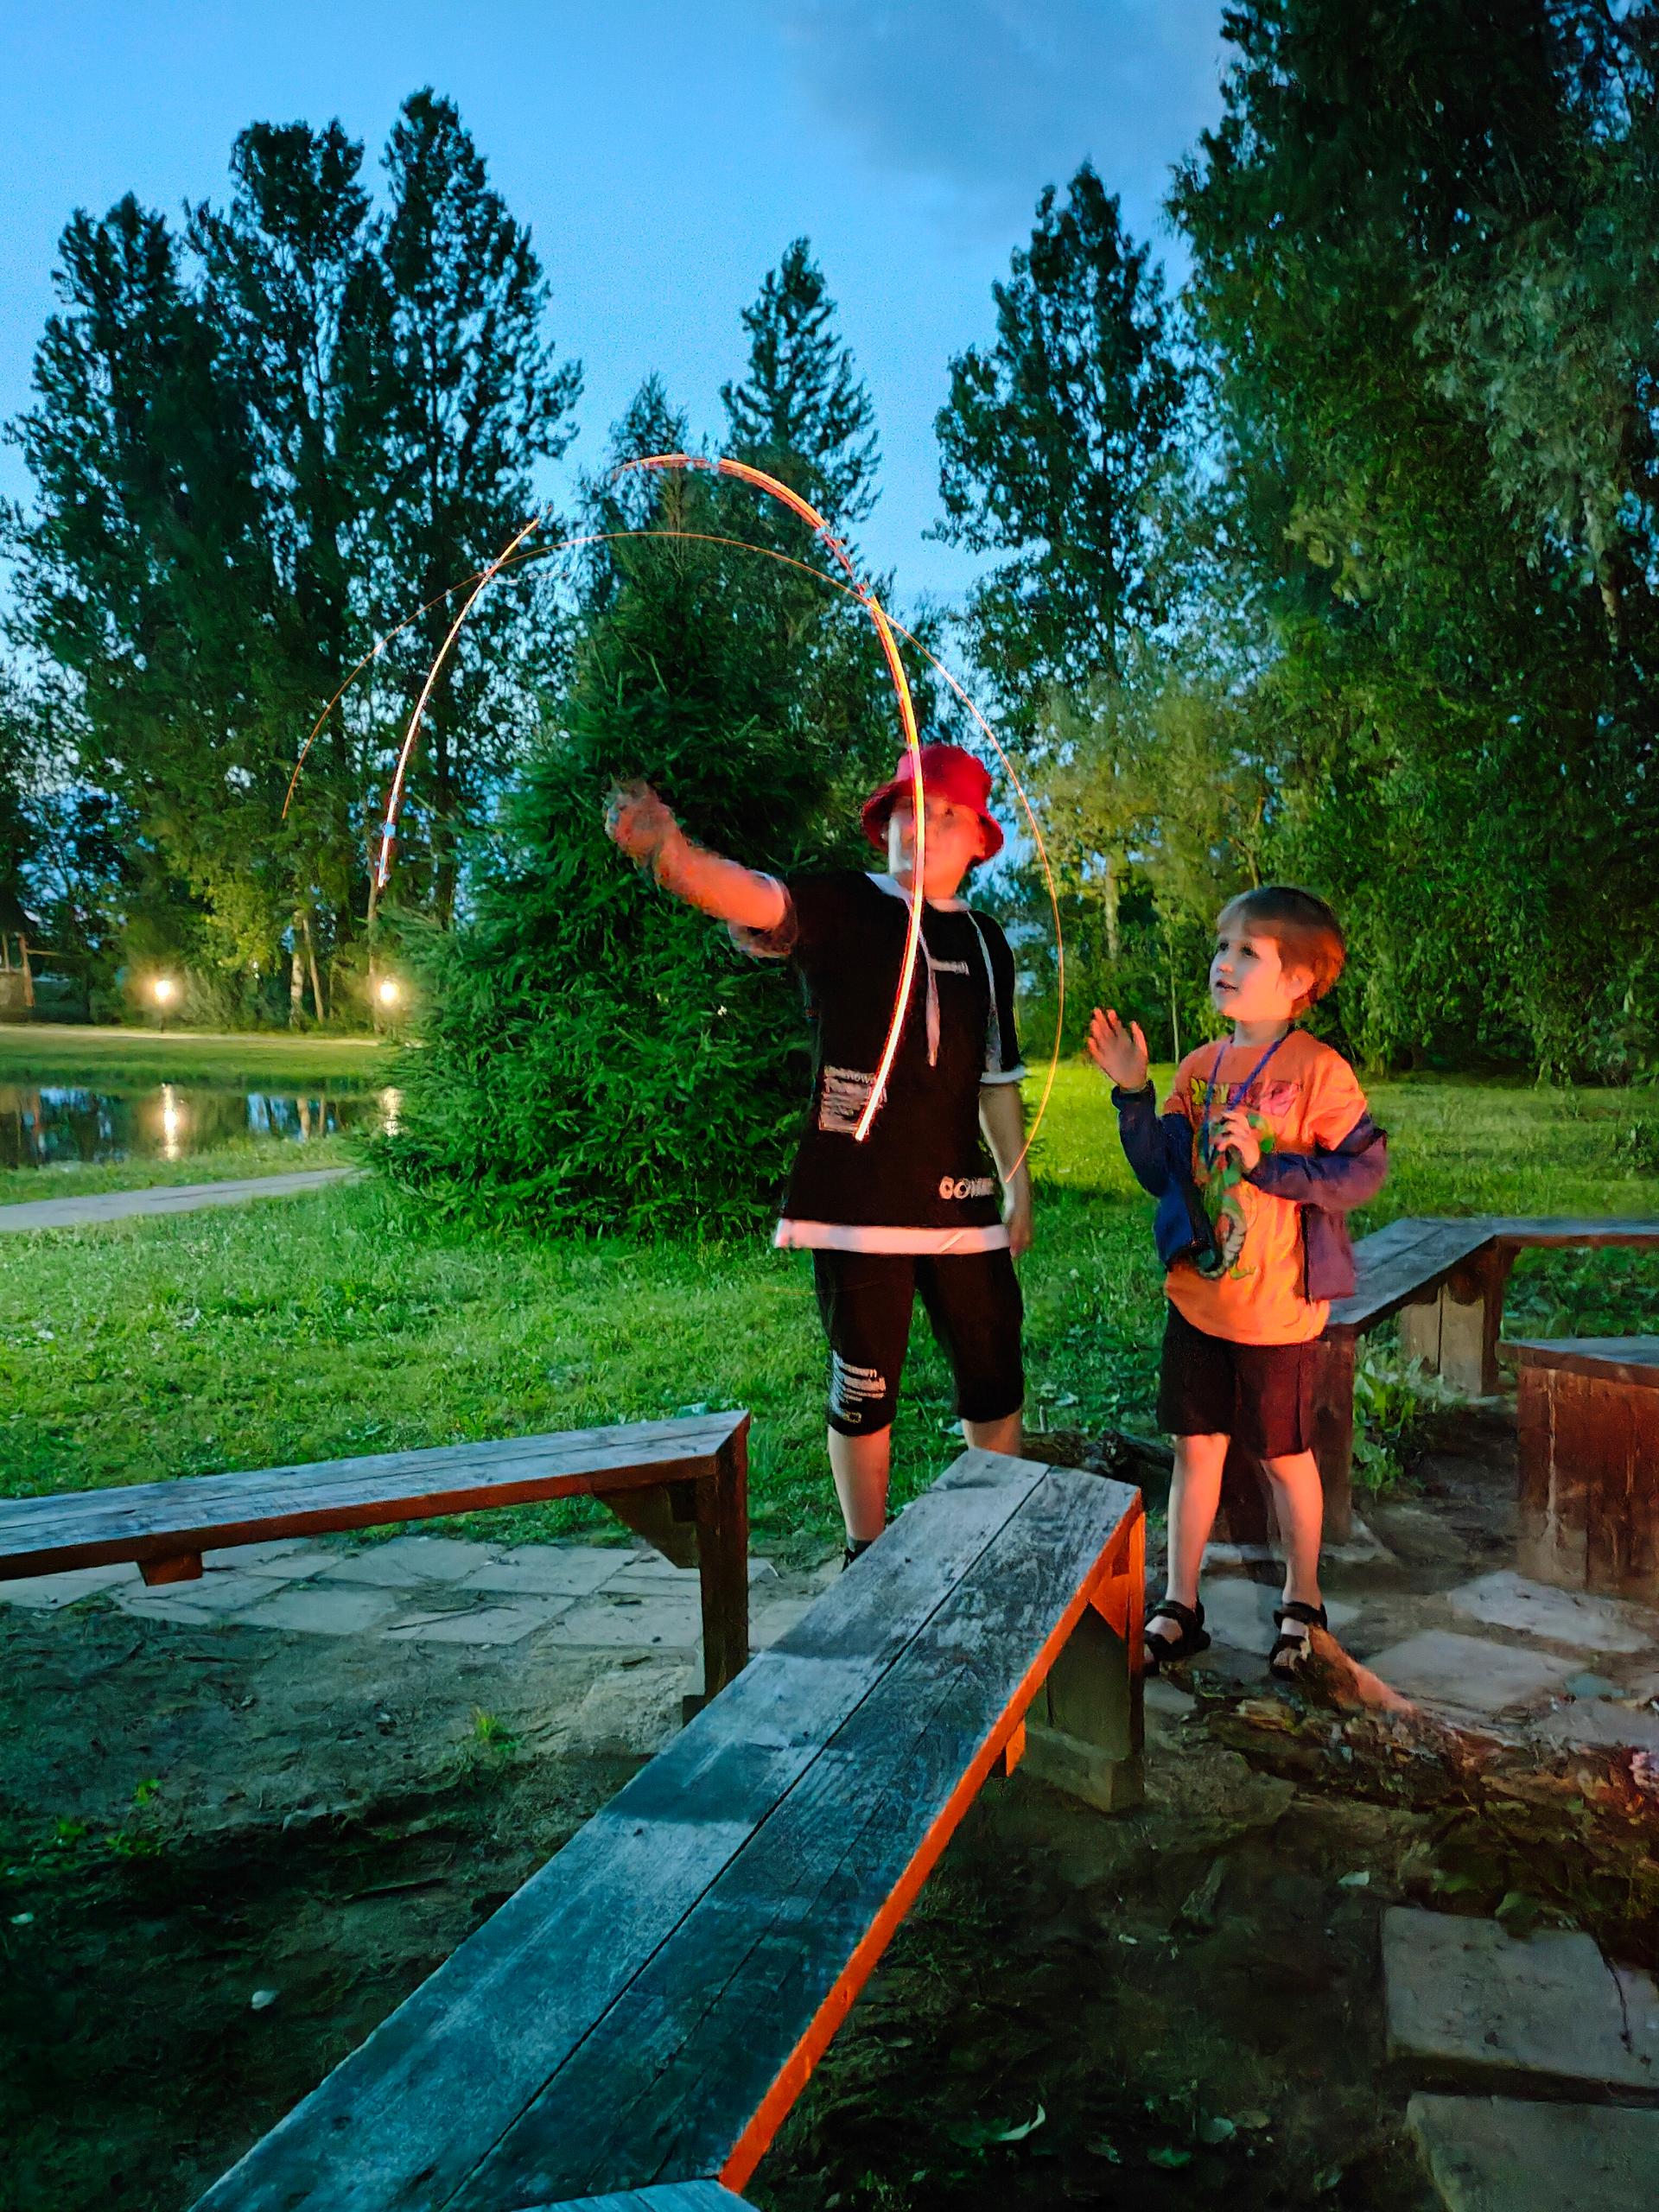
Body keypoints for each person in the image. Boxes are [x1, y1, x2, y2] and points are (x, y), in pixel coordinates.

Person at [604, 741, 1031, 1564]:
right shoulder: (843, 903)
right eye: (910, 810)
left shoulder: (986, 942)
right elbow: (754, 899)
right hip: (857, 1203)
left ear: (980, 840)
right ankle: (864, 1546)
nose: (924, 827)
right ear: (885, 830)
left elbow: (995, 1078)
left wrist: (1018, 1185)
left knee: (993, 1368)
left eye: (947, 816)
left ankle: (997, 1532)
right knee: (865, 1382)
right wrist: (674, 855)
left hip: (964, 1207)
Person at [1087, 886, 1387, 1676]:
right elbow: (1161, 1171)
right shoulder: (1199, 1066)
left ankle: (1303, 1602)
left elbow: (1361, 1172)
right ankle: (1180, 1606)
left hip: (1277, 1311)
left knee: (1287, 1456)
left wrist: (1269, 1165)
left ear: (1299, 981)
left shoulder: (1319, 1071)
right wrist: (1132, 1091)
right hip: (1200, 1302)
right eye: (1221, 948)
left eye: (1247, 951)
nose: (1224, 963)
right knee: (1196, 1450)